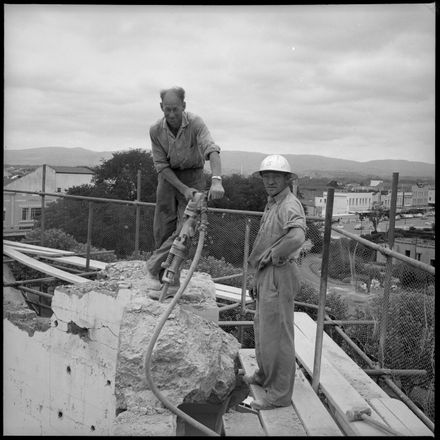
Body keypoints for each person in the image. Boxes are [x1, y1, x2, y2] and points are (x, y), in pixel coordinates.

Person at [145, 86, 225, 299]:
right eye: (167, 109)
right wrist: (182, 189)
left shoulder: (196, 123)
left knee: (187, 228)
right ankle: (159, 275)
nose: (171, 114)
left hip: (194, 174)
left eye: (176, 109)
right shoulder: (155, 130)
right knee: (162, 228)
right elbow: (161, 165)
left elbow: (212, 149)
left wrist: (216, 180)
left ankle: (166, 276)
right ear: (161, 107)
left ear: (184, 107)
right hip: (168, 178)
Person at [244, 154, 306, 410]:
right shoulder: (274, 203)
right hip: (267, 273)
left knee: (278, 335)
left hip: (279, 273)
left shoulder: (289, 204)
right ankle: (264, 376)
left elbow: (297, 236)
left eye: (275, 177)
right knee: (264, 328)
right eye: (266, 176)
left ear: (286, 179)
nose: (269, 181)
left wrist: (274, 255)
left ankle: (279, 395)